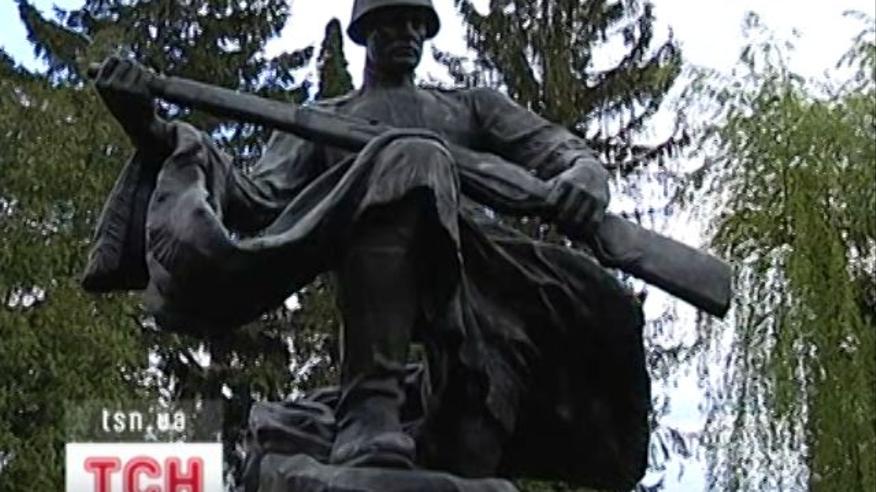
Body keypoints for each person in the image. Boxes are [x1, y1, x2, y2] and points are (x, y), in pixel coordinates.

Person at [84, 0, 650, 488]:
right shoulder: (318, 121)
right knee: (410, 162)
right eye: (391, 22)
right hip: (378, 288)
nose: (407, 34)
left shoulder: (470, 107)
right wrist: (152, 129)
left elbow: (560, 151)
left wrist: (584, 176)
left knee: (471, 450)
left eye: (416, 24)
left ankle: (412, 404)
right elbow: (256, 199)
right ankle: (370, 407)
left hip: (479, 297)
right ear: (364, 32)